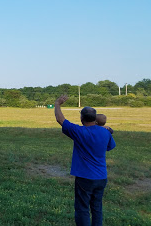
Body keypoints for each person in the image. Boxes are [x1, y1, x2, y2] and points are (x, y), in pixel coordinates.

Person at [54, 95, 116, 226]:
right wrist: (106, 128)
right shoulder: (105, 132)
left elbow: (60, 119)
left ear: (81, 118)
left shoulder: (78, 131)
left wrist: (57, 104)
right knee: (97, 208)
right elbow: (110, 146)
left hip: (85, 178)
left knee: (82, 208)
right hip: (101, 177)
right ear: (95, 118)